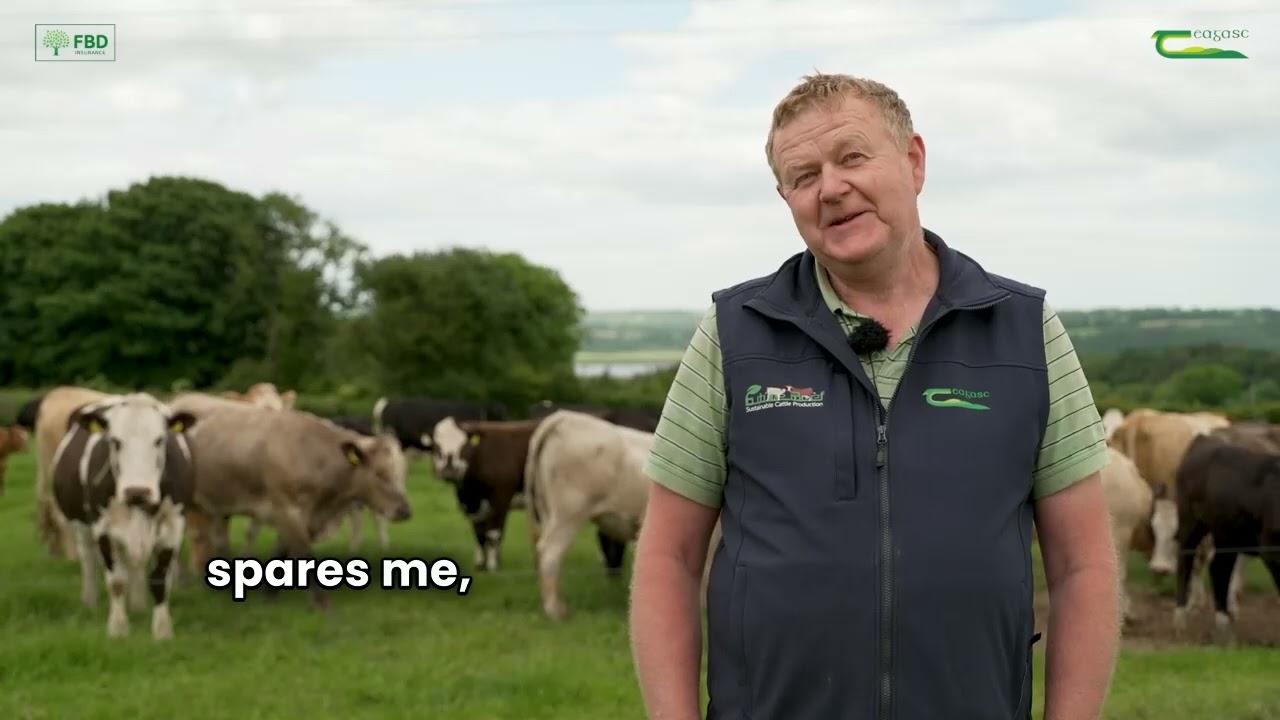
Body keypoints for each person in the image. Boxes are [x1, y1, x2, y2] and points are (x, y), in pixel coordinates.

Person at [628, 73, 1120, 720]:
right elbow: (668, 557)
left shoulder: (1024, 331)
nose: (831, 188)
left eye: (852, 157)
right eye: (803, 176)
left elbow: (1084, 565)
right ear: (786, 198)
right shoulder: (734, 335)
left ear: (913, 161)